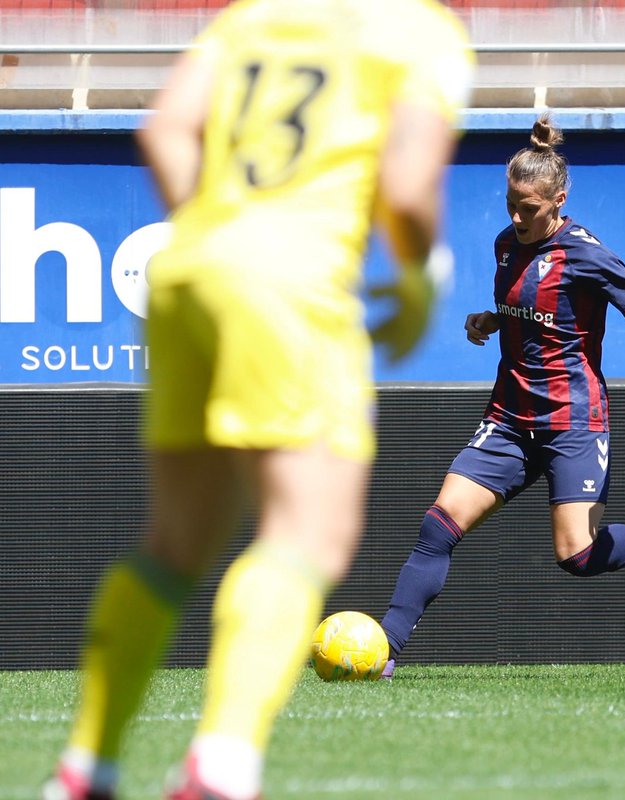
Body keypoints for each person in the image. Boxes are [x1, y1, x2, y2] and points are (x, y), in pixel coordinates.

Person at [42, 2, 472, 798]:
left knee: (175, 545)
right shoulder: (420, 31)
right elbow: (408, 193)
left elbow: (166, 131)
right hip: (294, 286)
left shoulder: (254, 17)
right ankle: (222, 764)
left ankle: (84, 770)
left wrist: (218, 238)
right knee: (306, 537)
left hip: (188, 267)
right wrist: (419, 276)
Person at [379, 113, 625, 673]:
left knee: (577, 555)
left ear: (558, 200)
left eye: (529, 209)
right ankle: (386, 649)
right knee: (438, 524)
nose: (517, 217)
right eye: (510, 204)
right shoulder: (505, 245)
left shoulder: (585, 253)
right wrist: (491, 320)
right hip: (510, 418)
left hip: (572, 420)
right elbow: (534, 310)